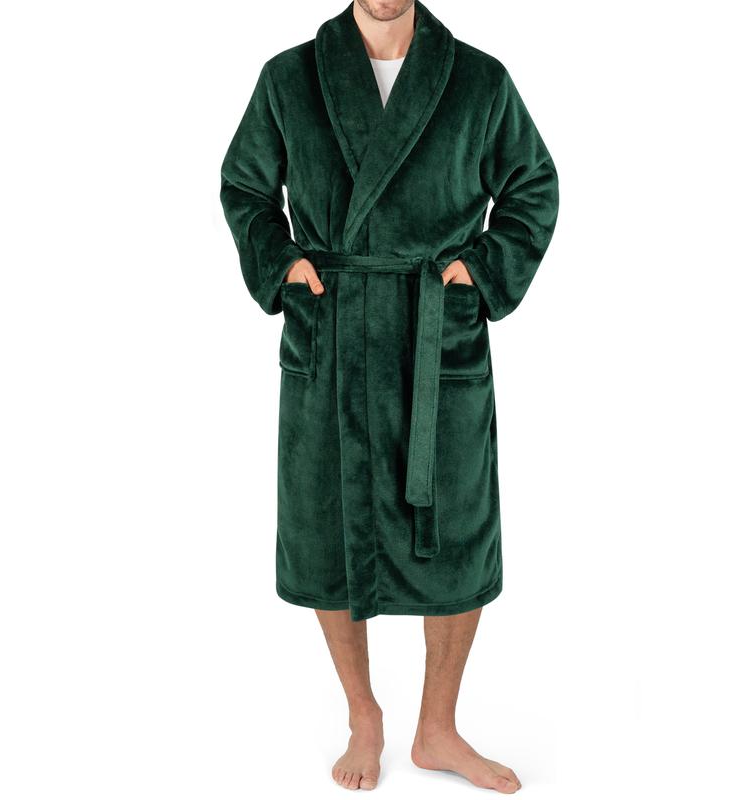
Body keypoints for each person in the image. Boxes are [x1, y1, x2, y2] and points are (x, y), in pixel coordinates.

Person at [220, 0, 559, 792]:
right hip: (332, 329)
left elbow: (533, 186)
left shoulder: (477, 80)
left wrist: (481, 269)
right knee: (327, 524)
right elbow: (244, 187)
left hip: (436, 337)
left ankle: (437, 728)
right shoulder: (290, 78)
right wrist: (283, 265)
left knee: (458, 529)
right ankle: (362, 713)